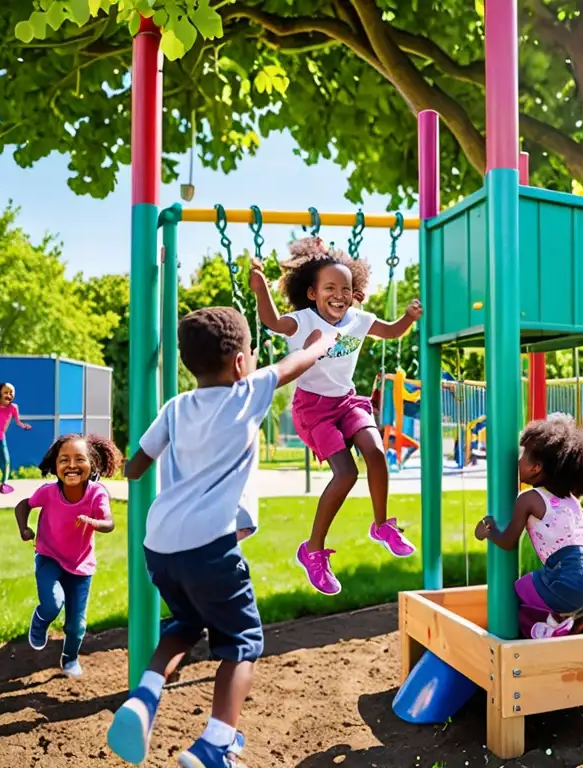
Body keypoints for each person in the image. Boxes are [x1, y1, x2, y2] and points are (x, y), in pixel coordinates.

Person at [106, 306, 335, 768]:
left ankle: (144, 697)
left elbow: (135, 466)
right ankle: (215, 742)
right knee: (242, 641)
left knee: (186, 624)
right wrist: (322, 343)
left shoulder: (175, 408)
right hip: (210, 545)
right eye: (250, 353)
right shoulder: (246, 393)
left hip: (161, 546)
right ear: (239, 363)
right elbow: (295, 365)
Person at [249, 236, 423, 597]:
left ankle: (381, 526)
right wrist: (260, 286)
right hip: (313, 409)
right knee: (346, 473)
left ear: (354, 290)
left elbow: (390, 331)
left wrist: (408, 316)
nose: (339, 295)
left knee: (376, 452)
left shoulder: (358, 319)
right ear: (312, 293)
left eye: (346, 288)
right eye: (330, 287)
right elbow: (270, 320)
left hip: (346, 402)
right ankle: (313, 550)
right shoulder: (302, 321)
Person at [475, 414, 583, 639]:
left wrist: (488, 532)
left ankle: (542, 633)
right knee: (568, 598)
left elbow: (508, 542)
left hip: (573, 577)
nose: (517, 461)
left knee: (517, 591)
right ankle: (562, 624)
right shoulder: (571, 500)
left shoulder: (528, 498)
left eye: (522, 456)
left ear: (536, 468)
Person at [15, 433, 122, 677]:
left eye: (79, 459)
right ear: (55, 466)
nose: (71, 466)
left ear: (92, 464)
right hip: (49, 556)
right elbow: (24, 505)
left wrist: (93, 521)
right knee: (53, 603)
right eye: (64, 460)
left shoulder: (97, 494)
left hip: (81, 565)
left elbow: (109, 522)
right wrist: (24, 528)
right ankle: (41, 619)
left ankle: (70, 658)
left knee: (77, 625)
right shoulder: (48, 492)